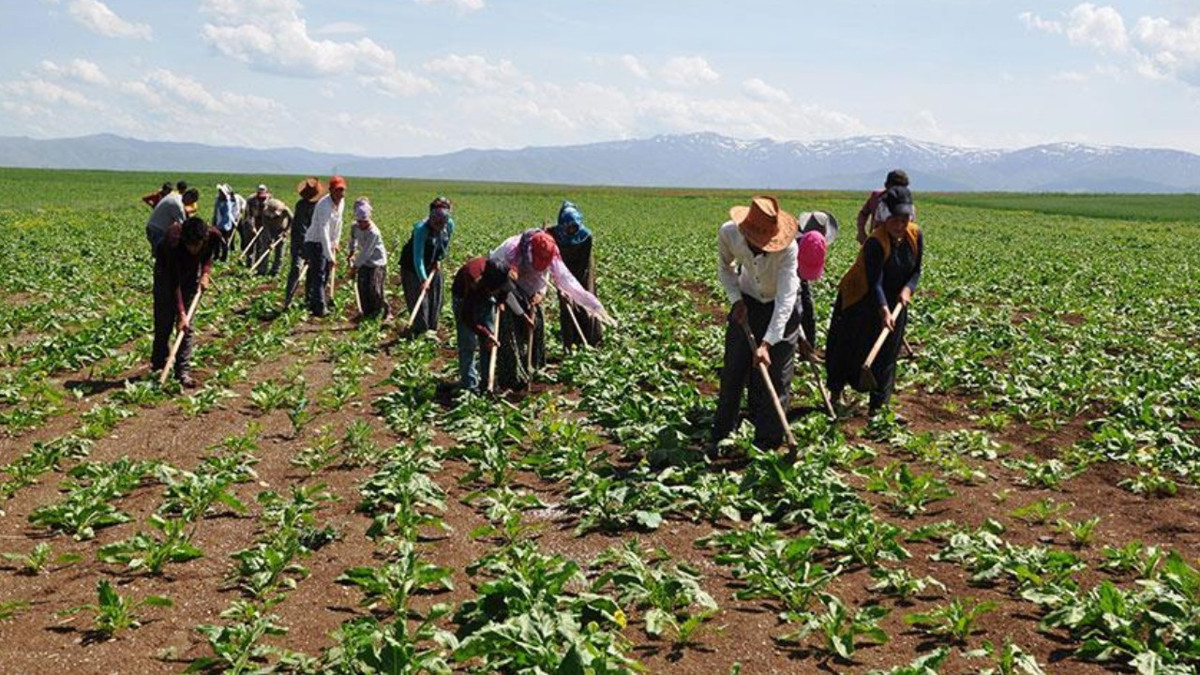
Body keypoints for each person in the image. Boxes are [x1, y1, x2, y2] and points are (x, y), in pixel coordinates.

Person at [710, 195, 802, 453]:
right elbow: (725, 268)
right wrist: (736, 300)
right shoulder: (729, 233)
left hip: (780, 309)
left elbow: (786, 299)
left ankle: (767, 444)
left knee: (777, 376)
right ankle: (721, 433)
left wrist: (767, 343)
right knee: (734, 369)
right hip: (748, 300)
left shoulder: (789, 249)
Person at [825, 185, 924, 417]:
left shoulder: (915, 235)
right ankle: (835, 394)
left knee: (889, 351)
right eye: (895, 221)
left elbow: (916, 270)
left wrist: (908, 290)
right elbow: (875, 281)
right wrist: (883, 310)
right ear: (885, 217)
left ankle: (878, 407)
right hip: (861, 297)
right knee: (848, 346)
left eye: (904, 220)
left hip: (896, 299)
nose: (900, 226)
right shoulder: (875, 242)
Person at [488, 229, 612, 391]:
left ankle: (534, 367)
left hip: (531, 286)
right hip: (504, 286)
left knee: (536, 326)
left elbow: (546, 273)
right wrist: (522, 314)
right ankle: (512, 375)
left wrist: (540, 293)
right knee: (511, 329)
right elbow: (506, 291)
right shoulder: (509, 252)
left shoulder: (550, 251)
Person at [151, 216, 221, 388]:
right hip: (165, 276)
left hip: (190, 277)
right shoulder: (172, 242)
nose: (193, 249)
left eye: (197, 245)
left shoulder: (213, 236)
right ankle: (159, 366)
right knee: (164, 323)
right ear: (184, 240)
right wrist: (181, 312)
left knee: (187, 328)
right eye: (190, 245)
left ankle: (182, 371)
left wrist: (205, 273)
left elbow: (208, 256)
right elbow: (174, 282)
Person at [451, 256, 522, 392]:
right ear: (490, 287)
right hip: (463, 299)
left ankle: (487, 382)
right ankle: (469, 385)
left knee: (490, 343)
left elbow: (505, 290)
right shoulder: (472, 281)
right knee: (468, 343)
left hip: (485, 297)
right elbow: (467, 318)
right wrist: (485, 333)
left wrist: (500, 300)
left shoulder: (503, 272)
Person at [547, 200, 602, 349]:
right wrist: (563, 284)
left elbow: (583, 262)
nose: (571, 230)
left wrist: (574, 285)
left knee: (585, 300)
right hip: (562, 271)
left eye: (574, 227)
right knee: (566, 306)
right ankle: (569, 343)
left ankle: (590, 340)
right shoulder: (554, 234)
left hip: (582, 270)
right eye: (568, 227)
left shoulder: (586, 236)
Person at [399, 197, 455, 334]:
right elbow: (417, 257)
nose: (439, 225)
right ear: (431, 217)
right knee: (419, 297)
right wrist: (423, 279)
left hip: (432, 262)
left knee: (436, 296)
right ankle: (419, 330)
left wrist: (439, 258)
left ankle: (432, 328)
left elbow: (445, 243)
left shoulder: (449, 225)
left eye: (442, 223)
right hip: (412, 266)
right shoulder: (421, 229)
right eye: (436, 222)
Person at [794, 211, 838, 354]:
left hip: (801, 270)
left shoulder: (814, 241)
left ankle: (808, 348)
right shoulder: (790, 241)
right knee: (794, 309)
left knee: (807, 307)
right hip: (785, 270)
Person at [303, 175, 347, 317]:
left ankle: (311, 300)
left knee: (321, 273)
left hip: (327, 241)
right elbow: (324, 231)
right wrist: (329, 256)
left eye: (342, 190)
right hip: (315, 242)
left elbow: (339, 224)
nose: (340, 194)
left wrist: (336, 242)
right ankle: (320, 307)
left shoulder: (341, 202)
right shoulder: (324, 205)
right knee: (319, 274)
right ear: (331, 190)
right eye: (337, 190)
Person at [347, 197, 391, 321]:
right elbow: (352, 239)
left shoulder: (374, 233)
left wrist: (354, 268)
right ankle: (367, 313)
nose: (362, 224)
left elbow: (366, 252)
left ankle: (385, 312)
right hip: (364, 262)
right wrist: (351, 252)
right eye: (359, 221)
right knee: (363, 287)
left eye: (364, 221)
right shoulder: (355, 227)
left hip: (377, 262)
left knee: (375, 288)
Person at [284, 177, 325, 309]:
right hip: (300, 243)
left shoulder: (319, 205)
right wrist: (305, 249)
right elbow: (301, 229)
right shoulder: (301, 206)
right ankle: (288, 300)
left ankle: (309, 299)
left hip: (314, 243)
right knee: (296, 269)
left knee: (312, 272)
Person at [855, 169, 909, 245]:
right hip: (876, 242)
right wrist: (861, 232)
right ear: (886, 185)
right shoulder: (876, 197)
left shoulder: (907, 204)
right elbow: (863, 213)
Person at [146, 187, 200, 257]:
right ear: (188, 197)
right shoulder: (178, 205)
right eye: (191, 202)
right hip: (157, 231)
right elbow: (183, 226)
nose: (189, 204)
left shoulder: (174, 196)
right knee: (161, 255)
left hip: (152, 227)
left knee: (158, 254)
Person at [252, 198, 292, 276]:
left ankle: (275, 271)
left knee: (279, 252)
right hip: (269, 231)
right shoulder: (264, 213)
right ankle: (262, 270)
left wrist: (286, 231)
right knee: (264, 250)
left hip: (281, 231)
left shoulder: (285, 210)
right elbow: (265, 226)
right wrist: (269, 239)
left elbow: (292, 220)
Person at [212, 184, 245, 262]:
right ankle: (216, 256)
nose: (220, 194)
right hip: (218, 224)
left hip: (225, 225)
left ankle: (224, 258)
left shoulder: (229, 202)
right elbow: (216, 212)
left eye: (221, 192)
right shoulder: (218, 200)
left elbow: (227, 215)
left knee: (224, 242)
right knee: (216, 241)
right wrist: (214, 222)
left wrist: (233, 221)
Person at [241, 184, 271, 264]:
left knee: (260, 244)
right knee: (250, 242)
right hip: (252, 221)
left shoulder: (270, 200)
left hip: (264, 223)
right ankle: (249, 261)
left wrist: (265, 225)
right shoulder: (251, 200)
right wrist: (252, 228)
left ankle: (258, 262)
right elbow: (248, 215)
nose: (261, 199)